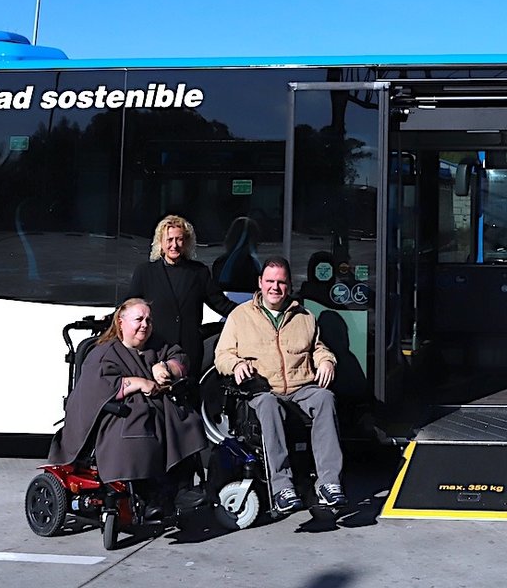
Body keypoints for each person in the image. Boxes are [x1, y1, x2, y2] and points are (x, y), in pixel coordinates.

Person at [48, 298, 207, 514]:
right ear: (121, 322)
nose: (145, 325)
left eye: (149, 320)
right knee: (141, 425)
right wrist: (139, 383)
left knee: (186, 420)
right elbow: (98, 387)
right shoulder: (104, 353)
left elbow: (180, 358)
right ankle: (149, 497)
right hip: (119, 411)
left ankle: (181, 490)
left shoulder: (157, 345)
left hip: (160, 406)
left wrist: (167, 368)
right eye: (139, 319)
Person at [212, 257, 344, 512]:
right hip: (263, 389)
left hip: (300, 387)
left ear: (289, 285)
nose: (275, 287)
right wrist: (237, 365)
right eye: (270, 281)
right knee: (269, 404)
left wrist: (327, 361)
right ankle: (282, 485)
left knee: (325, 398)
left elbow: (318, 348)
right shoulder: (240, 316)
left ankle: (329, 483)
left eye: (281, 282)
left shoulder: (304, 316)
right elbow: (223, 355)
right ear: (260, 283)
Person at [127, 215, 237, 382]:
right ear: (161, 243)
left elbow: (220, 303)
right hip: (155, 348)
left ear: (186, 242)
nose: (174, 245)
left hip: (189, 351)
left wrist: (250, 313)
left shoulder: (199, 272)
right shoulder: (144, 272)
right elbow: (129, 306)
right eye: (169, 239)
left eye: (179, 239)